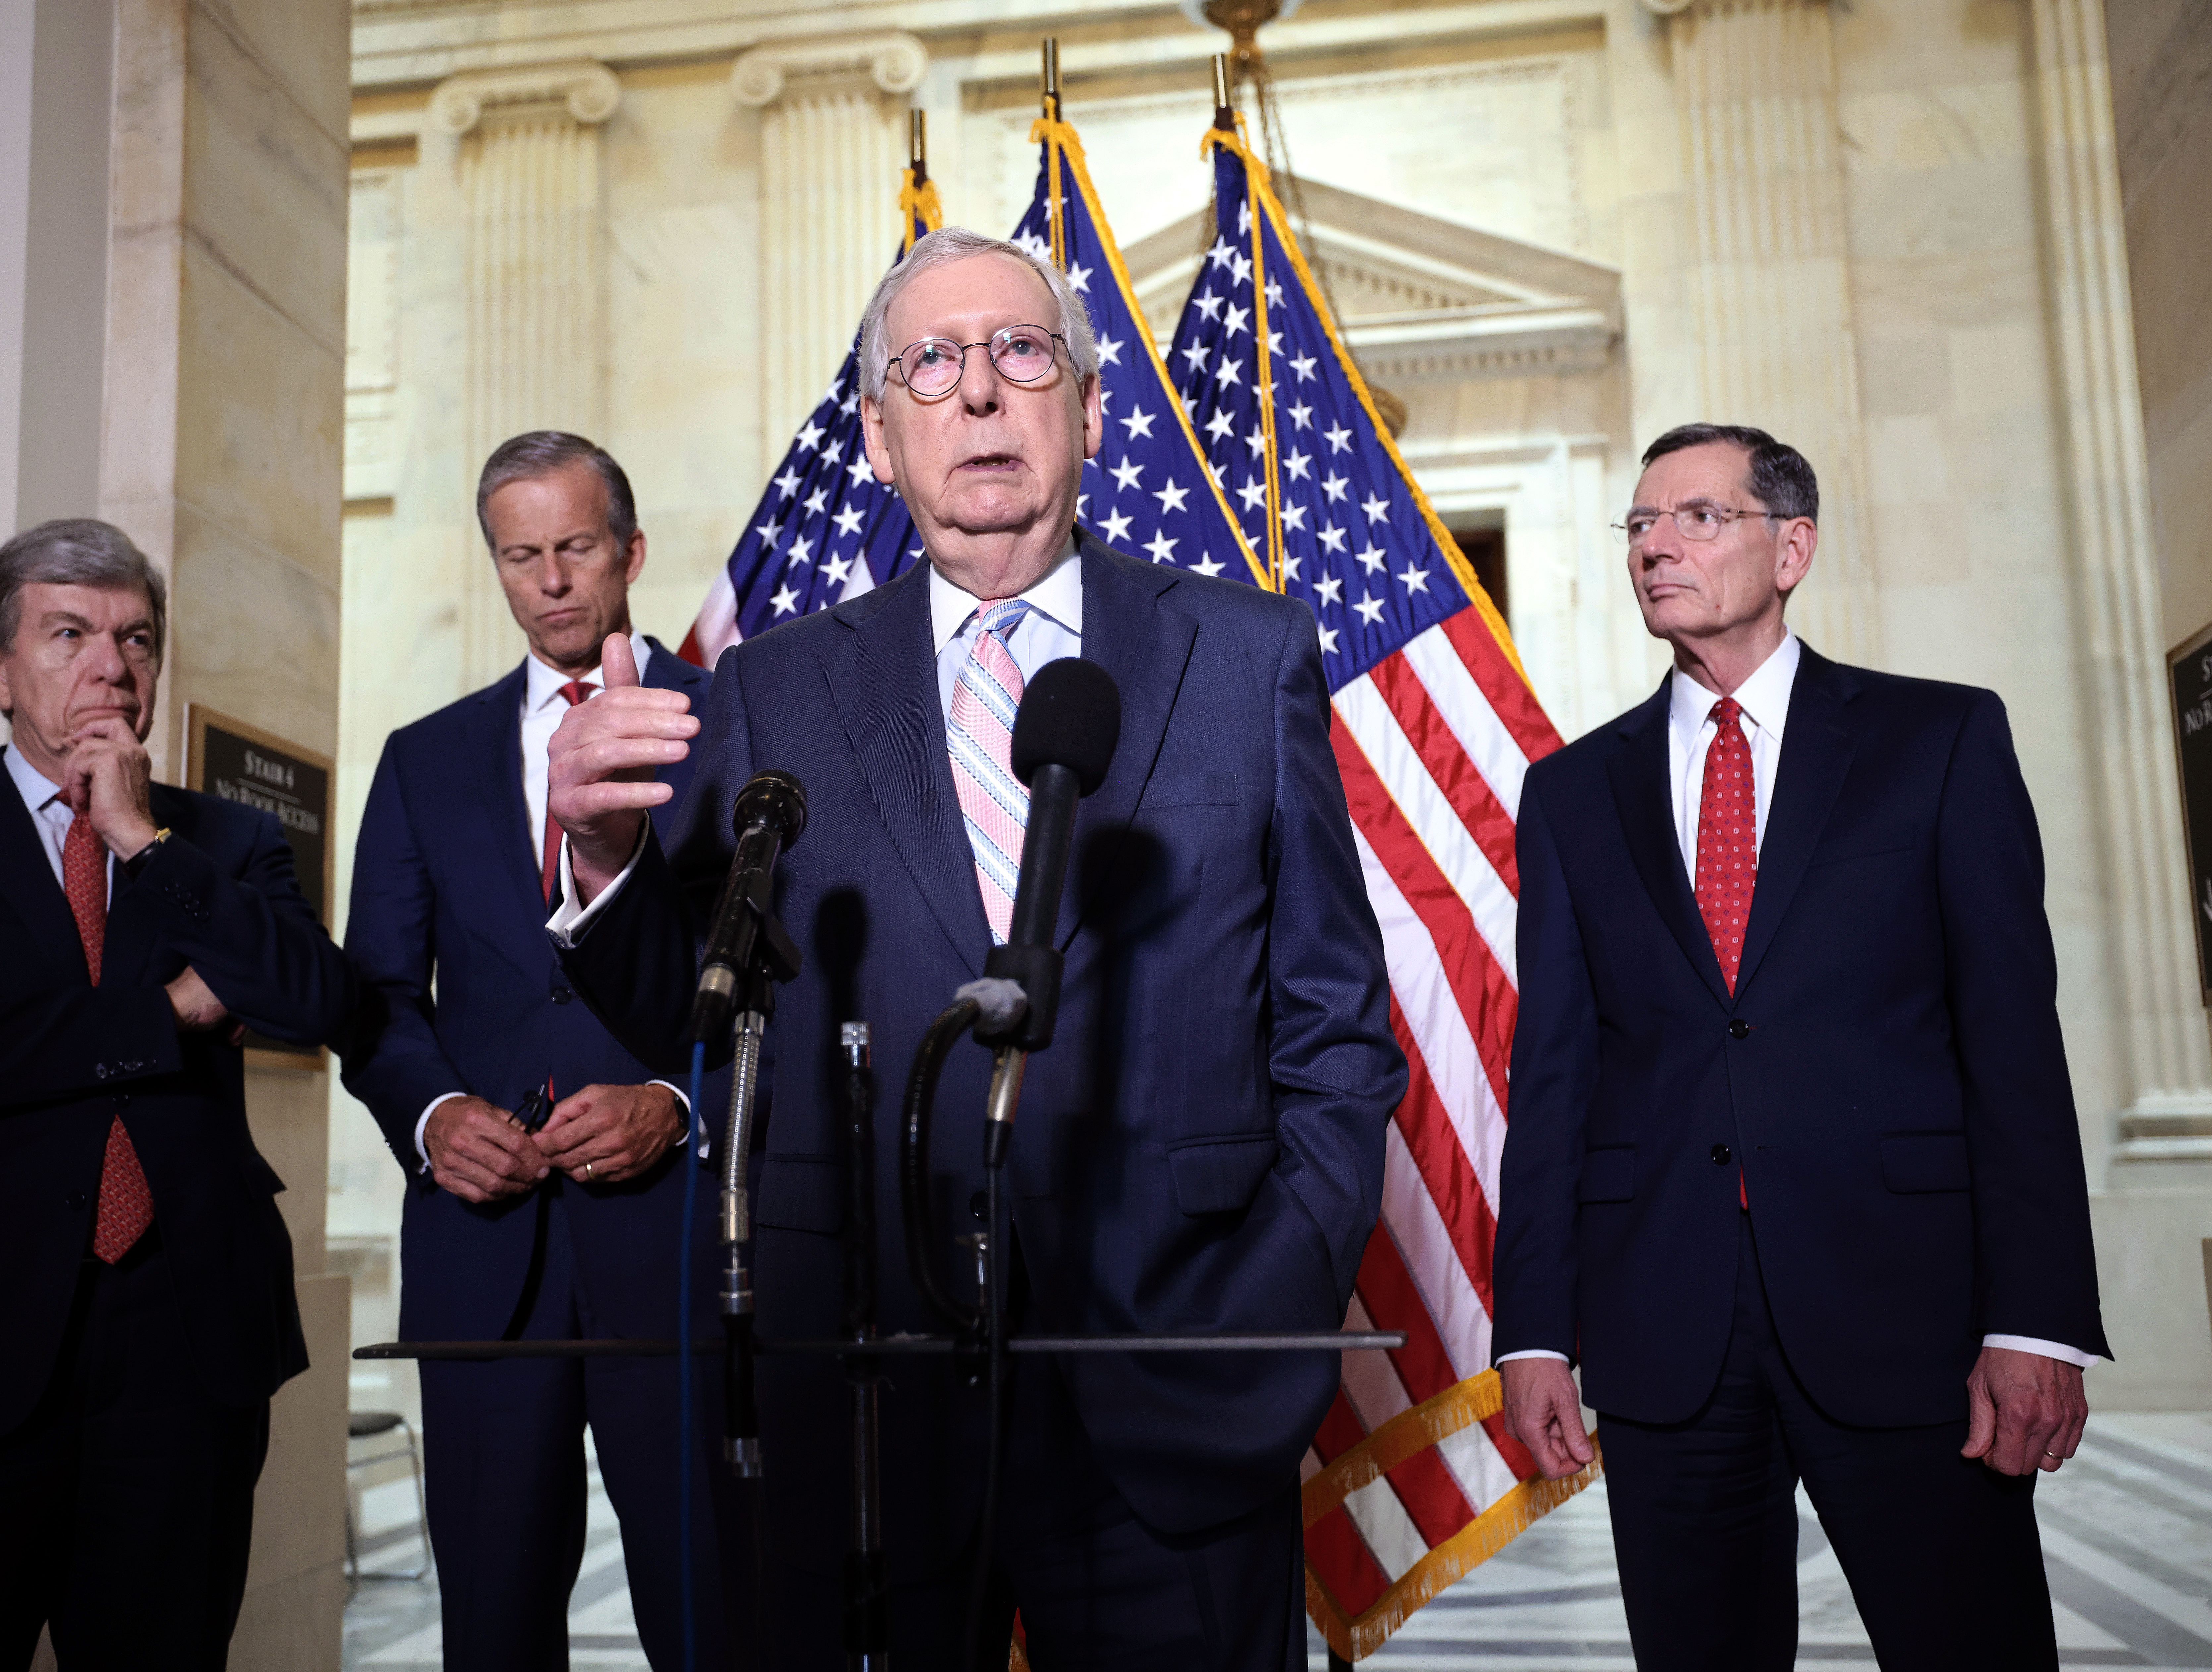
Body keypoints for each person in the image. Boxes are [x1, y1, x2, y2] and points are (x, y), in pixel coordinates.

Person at [539, 226, 1405, 1669]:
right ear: (879, 440)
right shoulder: (773, 688)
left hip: (1175, 1396)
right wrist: (606, 855)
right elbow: (683, 1015)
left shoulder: (1247, 654)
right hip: (867, 1404)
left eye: (1021, 353)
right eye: (930, 364)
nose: (981, 393)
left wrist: (1266, 1301)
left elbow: (1334, 1023)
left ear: (1088, 408)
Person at [1493, 424, 2108, 1669]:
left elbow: (2010, 1047)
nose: (1656, 545)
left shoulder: (1937, 743)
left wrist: (2036, 1321)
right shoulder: (1570, 794)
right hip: (1664, 1335)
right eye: (1640, 526)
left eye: (1697, 518)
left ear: (1793, 547)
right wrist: (1533, 1330)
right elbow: (1552, 1077)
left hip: (1909, 1318)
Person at [0, 519, 351, 1670]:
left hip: (183, 1346)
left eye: (136, 638)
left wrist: (141, 839)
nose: (112, 664)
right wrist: (169, 1014)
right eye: (70, 633)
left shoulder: (226, 843)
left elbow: (314, 1001)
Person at [339, 431, 731, 1671]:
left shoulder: (736, 725)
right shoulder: (424, 760)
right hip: (481, 1251)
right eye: (521, 556)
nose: (551, 580)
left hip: (672, 1241)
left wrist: (677, 1100)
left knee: (708, 1607)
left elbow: (787, 979)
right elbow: (378, 1001)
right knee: (494, 1620)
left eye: (574, 548)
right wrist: (434, 1113)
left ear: (630, 552)